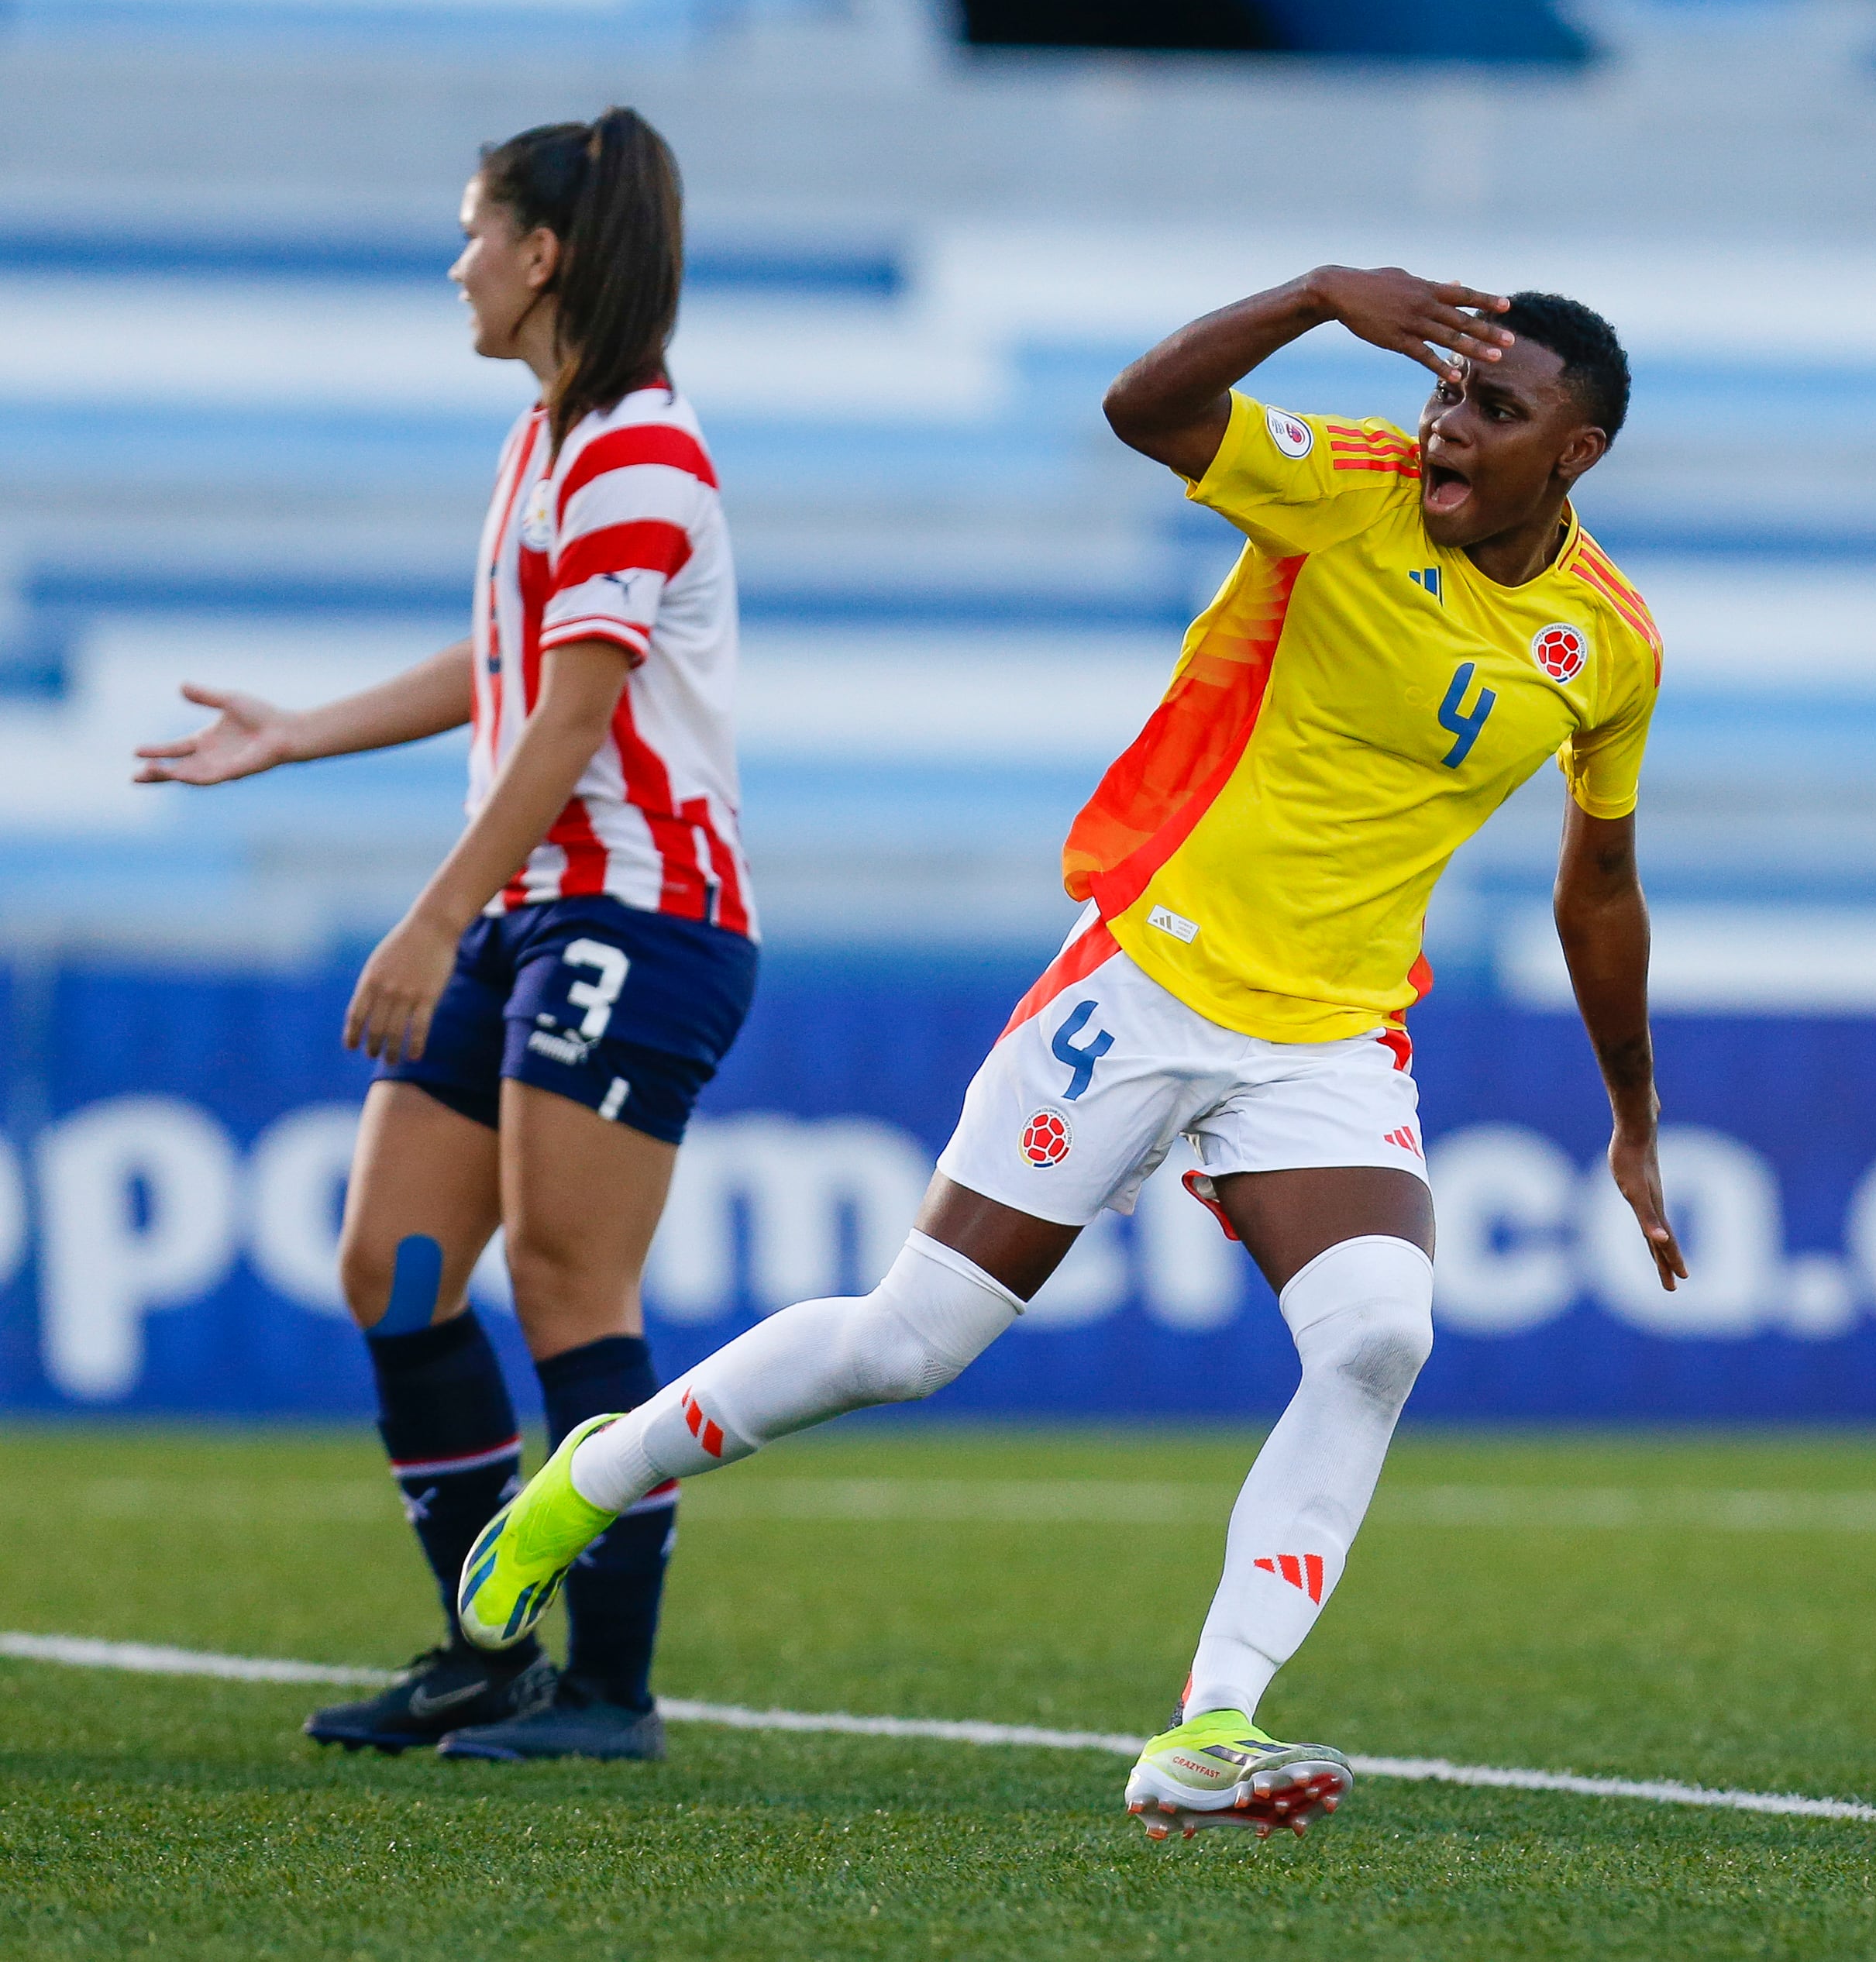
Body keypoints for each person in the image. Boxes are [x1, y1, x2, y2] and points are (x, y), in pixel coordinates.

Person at [449, 267, 1684, 1836]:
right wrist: (1315, 298)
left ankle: (1212, 1719)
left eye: (1494, 410)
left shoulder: (1612, 645)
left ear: (1573, 456)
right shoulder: (1347, 484)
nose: (1447, 426)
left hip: (1333, 1033)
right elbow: (1141, 411)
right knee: (911, 1344)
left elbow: (1602, 882)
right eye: (1449, 392)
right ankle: (588, 1481)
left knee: (1380, 1334)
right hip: (1151, 976)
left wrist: (1632, 1117)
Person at [137, 108, 749, 1763]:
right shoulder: (547, 438)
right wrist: (296, 732)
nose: (458, 263)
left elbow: (567, 725)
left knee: (568, 1279)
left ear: (543, 255)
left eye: (475, 231)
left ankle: (611, 1687)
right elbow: (503, 671)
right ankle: (490, 1648)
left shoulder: (638, 454)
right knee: (393, 1267)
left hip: (639, 914)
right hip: (540, 910)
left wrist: (428, 917)